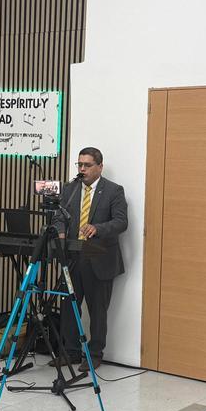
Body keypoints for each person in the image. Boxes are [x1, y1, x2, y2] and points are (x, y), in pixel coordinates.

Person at [56, 147, 128, 370]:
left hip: (99, 258)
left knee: (97, 310)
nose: (82, 169)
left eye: (87, 165)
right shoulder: (70, 189)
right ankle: (71, 352)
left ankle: (95, 354)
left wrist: (98, 228)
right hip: (72, 256)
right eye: (79, 164)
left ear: (100, 167)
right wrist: (60, 233)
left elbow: (121, 222)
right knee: (69, 307)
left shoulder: (114, 191)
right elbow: (59, 216)